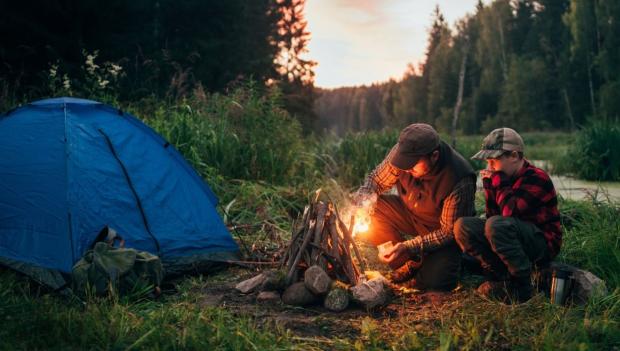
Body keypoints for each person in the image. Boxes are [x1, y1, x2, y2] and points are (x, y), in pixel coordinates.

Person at [354, 123, 476, 291]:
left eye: (413, 164)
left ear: (434, 156)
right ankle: (405, 262)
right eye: (405, 162)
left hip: (442, 232)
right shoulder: (402, 156)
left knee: (435, 283)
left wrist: (409, 246)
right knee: (375, 209)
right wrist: (363, 202)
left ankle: (464, 260)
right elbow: (375, 180)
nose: (406, 167)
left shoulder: (458, 178)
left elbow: (448, 232)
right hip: (411, 214)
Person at [454, 127, 561, 303]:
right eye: (488, 162)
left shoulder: (537, 177)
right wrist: (489, 186)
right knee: (463, 226)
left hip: (542, 243)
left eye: (494, 161)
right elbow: (492, 216)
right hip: (512, 236)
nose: (490, 167)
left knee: (497, 225)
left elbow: (509, 215)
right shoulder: (502, 176)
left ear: (514, 156)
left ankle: (522, 286)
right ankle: (498, 275)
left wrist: (496, 180)